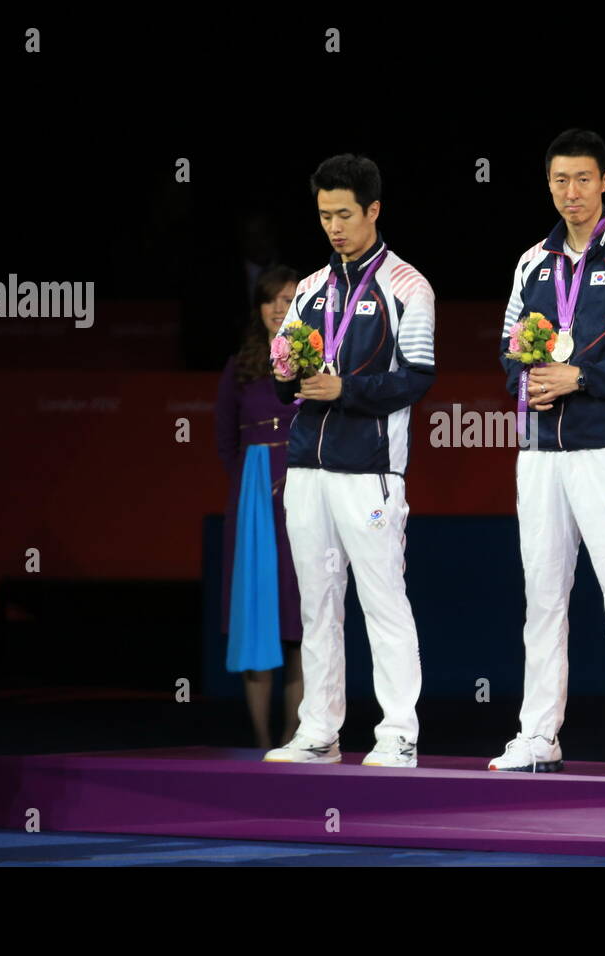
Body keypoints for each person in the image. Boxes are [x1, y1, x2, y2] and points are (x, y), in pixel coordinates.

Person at [488, 129, 605, 777]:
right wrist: (527, 379)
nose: (571, 193)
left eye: (582, 179)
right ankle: (538, 734)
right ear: (549, 186)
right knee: (542, 594)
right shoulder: (529, 264)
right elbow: (510, 347)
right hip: (539, 452)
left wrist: (582, 379)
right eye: (559, 181)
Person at [262, 154, 435, 768]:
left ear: (373, 211)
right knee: (318, 601)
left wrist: (348, 390)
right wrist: (288, 373)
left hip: (370, 469)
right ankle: (319, 730)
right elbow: (283, 377)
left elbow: (417, 378)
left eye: (343, 214)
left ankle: (398, 733)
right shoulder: (308, 289)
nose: (333, 227)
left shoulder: (409, 287)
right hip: (307, 465)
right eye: (324, 215)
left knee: (383, 599)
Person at [215, 265, 304, 750]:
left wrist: (292, 476)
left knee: (299, 624)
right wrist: (254, 483)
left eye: (288, 299)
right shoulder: (241, 366)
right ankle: (260, 741)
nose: (278, 307)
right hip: (253, 506)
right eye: (270, 299)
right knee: (258, 619)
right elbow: (225, 439)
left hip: (305, 498)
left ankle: (294, 739)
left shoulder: (315, 360)